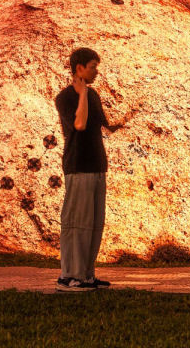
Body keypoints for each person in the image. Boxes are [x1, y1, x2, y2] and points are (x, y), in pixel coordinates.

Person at [54, 47, 109, 291]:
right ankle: (69, 276)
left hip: (96, 164)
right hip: (78, 165)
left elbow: (100, 124)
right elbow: (80, 123)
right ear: (79, 68)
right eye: (92, 67)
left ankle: (87, 275)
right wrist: (82, 94)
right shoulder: (66, 97)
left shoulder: (93, 95)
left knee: (94, 223)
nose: (96, 71)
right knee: (77, 222)